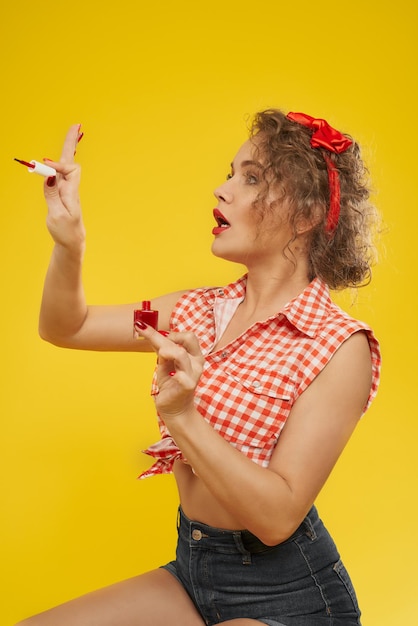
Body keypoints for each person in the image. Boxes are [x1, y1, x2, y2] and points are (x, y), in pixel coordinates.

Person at [16, 109, 381, 626]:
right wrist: (68, 242)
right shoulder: (192, 312)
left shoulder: (338, 346)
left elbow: (278, 518)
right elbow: (67, 327)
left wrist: (184, 417)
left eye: (250, 178)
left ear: (304, 214)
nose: (221, 190)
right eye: (230, 172)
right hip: (193, 573)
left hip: (291, 598)